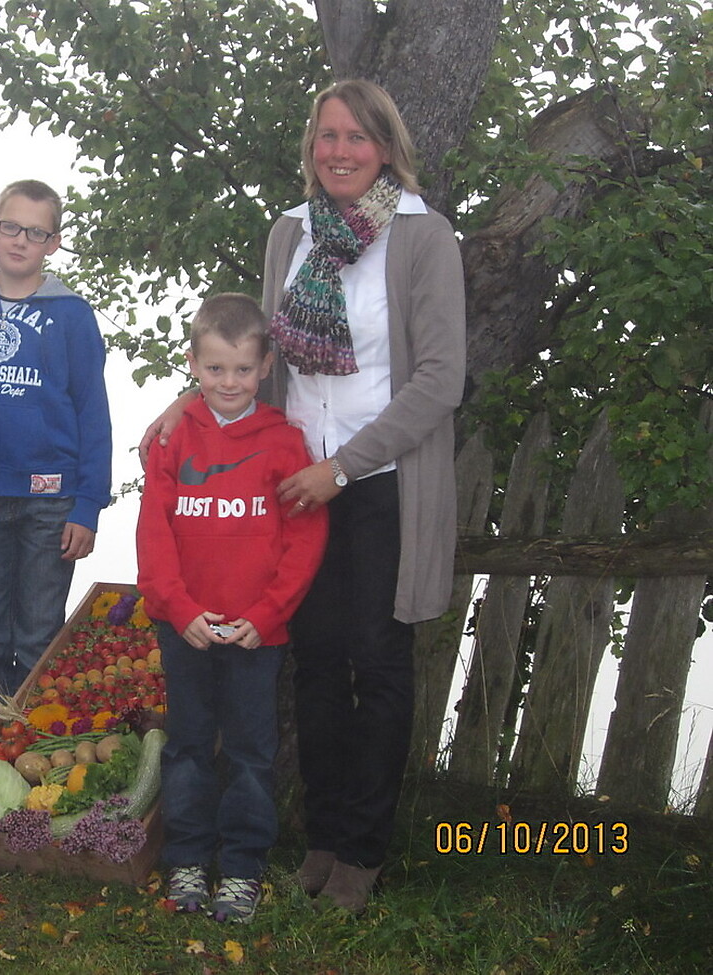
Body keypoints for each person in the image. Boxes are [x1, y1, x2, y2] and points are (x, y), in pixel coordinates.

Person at [142, 80, 466, 914]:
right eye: (327, 135)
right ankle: (320, 839)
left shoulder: (424, 236)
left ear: (385, 148)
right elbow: (261, 352)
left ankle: (362, 851)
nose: (340, 151)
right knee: (315, 663)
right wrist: (186, 399)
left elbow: (440, 379)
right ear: (311, 147)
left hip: (382, 483)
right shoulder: (292, 231)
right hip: (292, 488)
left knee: (378, 663)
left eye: (357, 137)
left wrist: (344, 467)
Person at [136, 293, 327, 923]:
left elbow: (305, 540)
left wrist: (267, 616)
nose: (228, 382)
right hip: (185, 627)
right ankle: (187, 859)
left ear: (265, 367)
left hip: (254, 633)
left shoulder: (285, 443)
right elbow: (154, 533)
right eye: (215, 368)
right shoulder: (172, 438)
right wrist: (177, 608)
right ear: (193, 364)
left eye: (243, 369)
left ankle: (242, 868)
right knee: (188, 746)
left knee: (249, 753)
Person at [0, 179, 112, 754]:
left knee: (38, 635)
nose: (20, 240)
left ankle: (30, 760)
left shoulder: (72, 316)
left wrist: (88, 504)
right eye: (11, 227)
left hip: (51, 502)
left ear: (53, 243)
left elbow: (93, 412)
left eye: (36, 232)